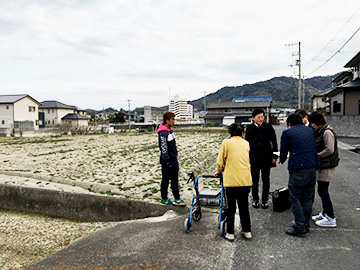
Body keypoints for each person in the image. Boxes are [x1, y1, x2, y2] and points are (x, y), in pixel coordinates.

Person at [280, 113, 321, 236]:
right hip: (312, 168)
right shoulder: (310, 131)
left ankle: (300, 225)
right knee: (308, 198)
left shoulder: (288, 133)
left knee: (294, 197)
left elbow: (283, 152)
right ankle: (306, 224)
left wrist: (280, 159)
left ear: (289, 124)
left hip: (298, 169)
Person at [214, 123, 253, 241]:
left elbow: (220, 162)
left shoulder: (226, 142)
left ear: (230, 134)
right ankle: (247, 231)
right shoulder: (246, 143)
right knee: (244, 207)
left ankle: (230, 233)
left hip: (231, 181)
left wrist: (218, 171)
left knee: (231, 207)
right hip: (245, 180)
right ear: (242, 133)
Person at [309, 112, 339, 227]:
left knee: (323, 191)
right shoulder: (321, 130)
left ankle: (331, 218)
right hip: (323, 165)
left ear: (318, 123)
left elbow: (329, 149)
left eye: (313, 123)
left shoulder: (327, 132)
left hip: (327, 166)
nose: (312, 125)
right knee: (322, 191)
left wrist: (316, 155)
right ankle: (325, 213)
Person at [245, 109, 278, 209]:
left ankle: (264, 200)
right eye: (258, 117)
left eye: (262, 117)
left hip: (266, 157)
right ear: (253, 118)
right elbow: (246, 144)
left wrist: (274, 156)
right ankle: (255, 199)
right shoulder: (249, 128)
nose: (261, 119)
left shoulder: (268, 127)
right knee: (254, 180)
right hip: (254, 157)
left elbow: (274, 142)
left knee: (266, 179)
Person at [157, 112, 186, 206]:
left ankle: (177, 198)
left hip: (173, 159)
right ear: (167, 120)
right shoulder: (162, 132)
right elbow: (163, 147)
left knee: (175, 180)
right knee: (165, 180)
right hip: (167, 161)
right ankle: (164, 198)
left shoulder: (170, 131)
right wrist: (167, 161)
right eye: (172, 119)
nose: (174, 121)